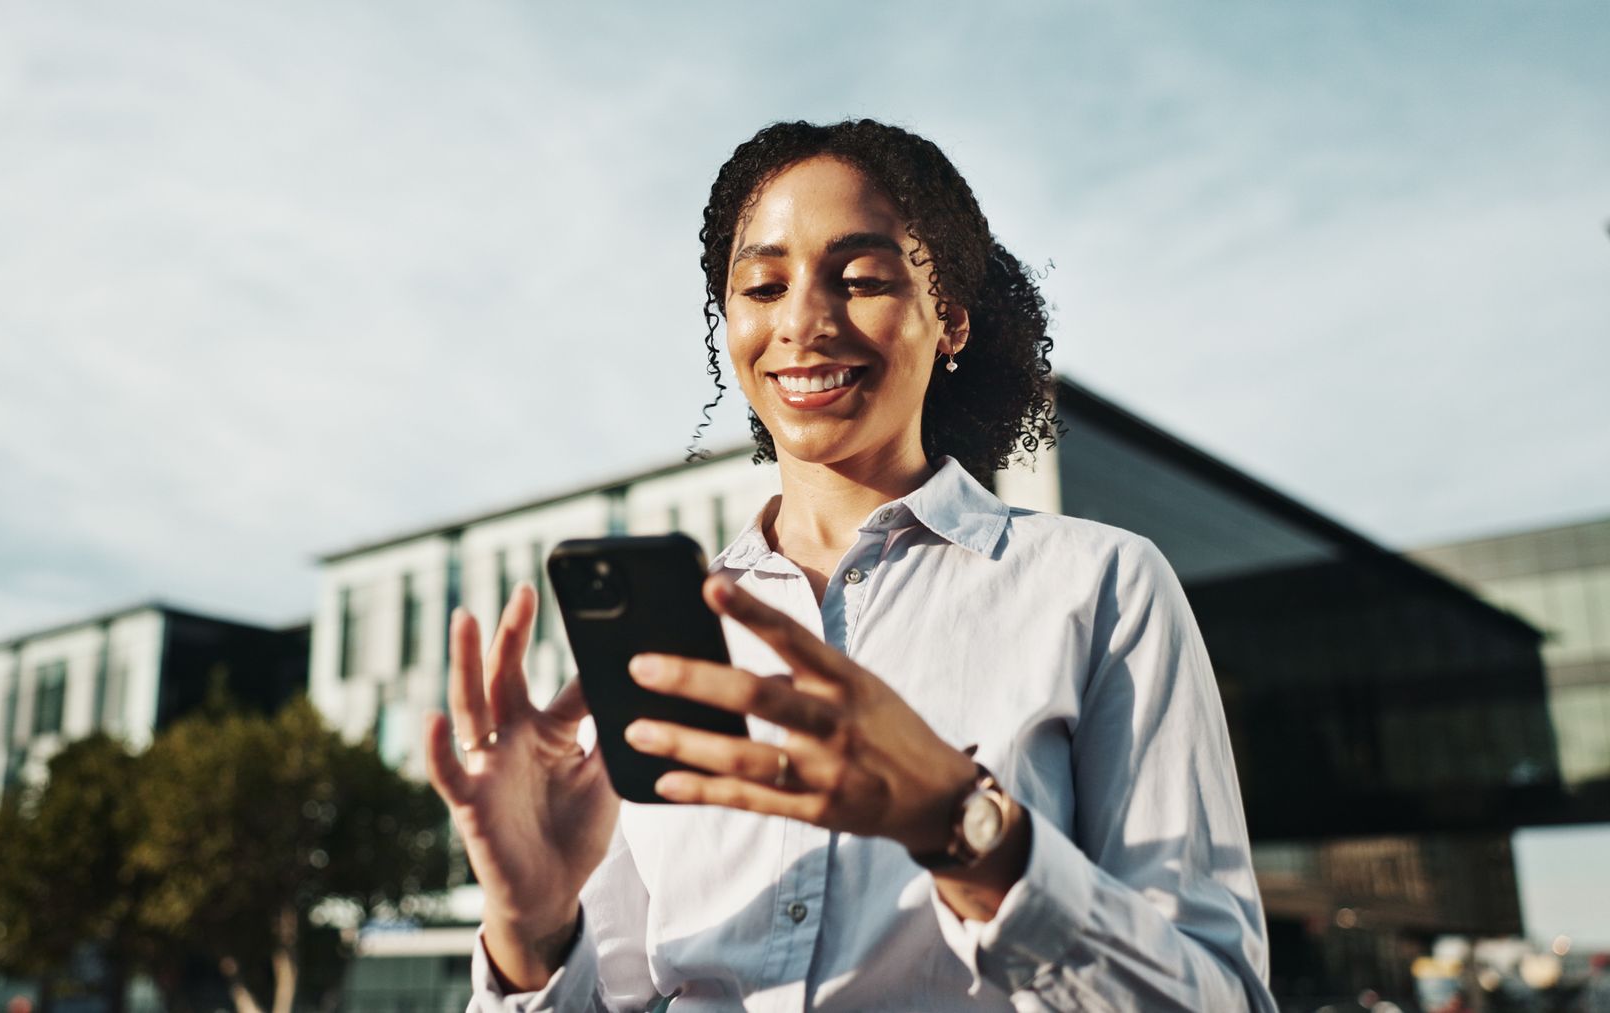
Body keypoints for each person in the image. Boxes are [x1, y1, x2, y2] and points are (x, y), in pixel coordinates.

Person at [424, 119, 1274, 1011]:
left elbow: (1219, 995)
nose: (802, 321)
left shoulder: (1100, 587)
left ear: (949, 319)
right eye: (762, 284)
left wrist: (966, 826)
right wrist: (532, 933)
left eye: (862, 279)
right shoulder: (675, 634)